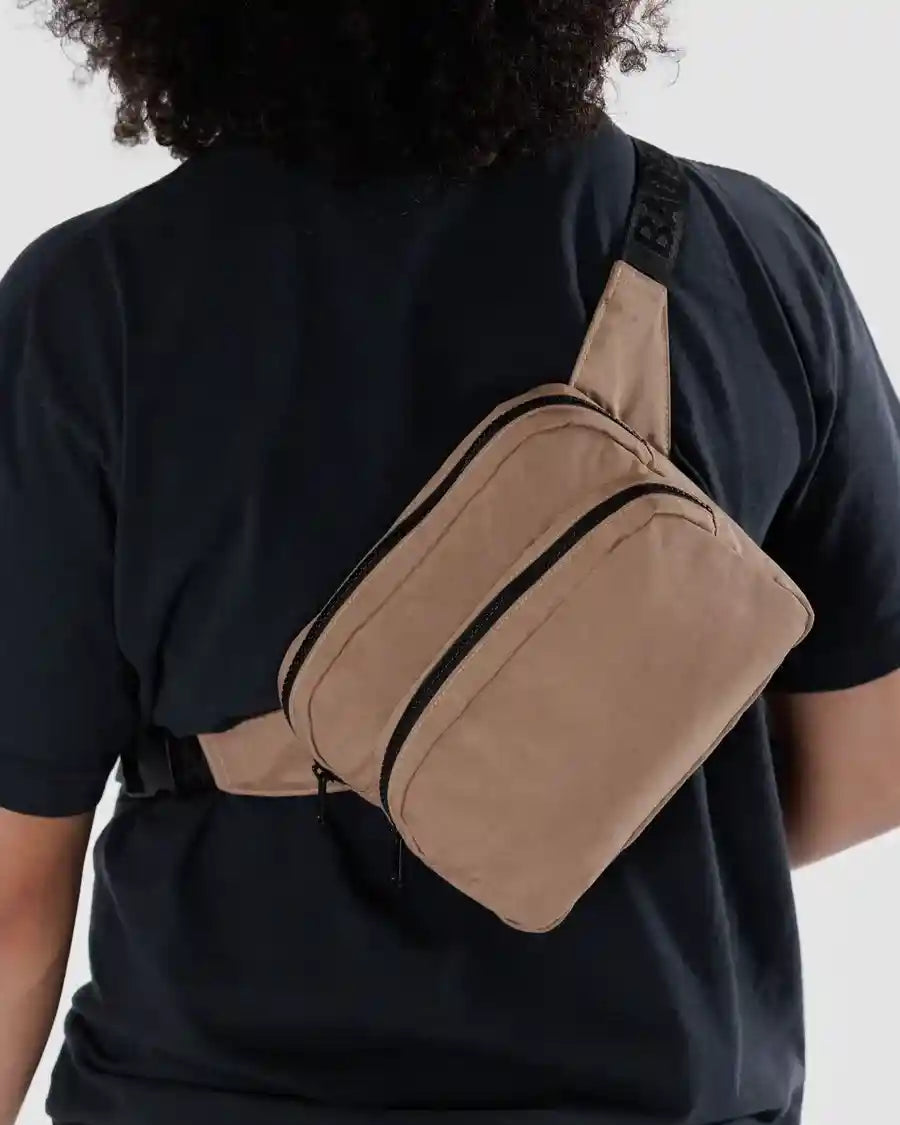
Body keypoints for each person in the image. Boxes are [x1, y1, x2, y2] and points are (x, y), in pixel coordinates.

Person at [1, 3, 899, 1124]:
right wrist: (564, 808)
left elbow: (13, 898)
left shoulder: (92, 309)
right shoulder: (750, 256)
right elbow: (876, 757)